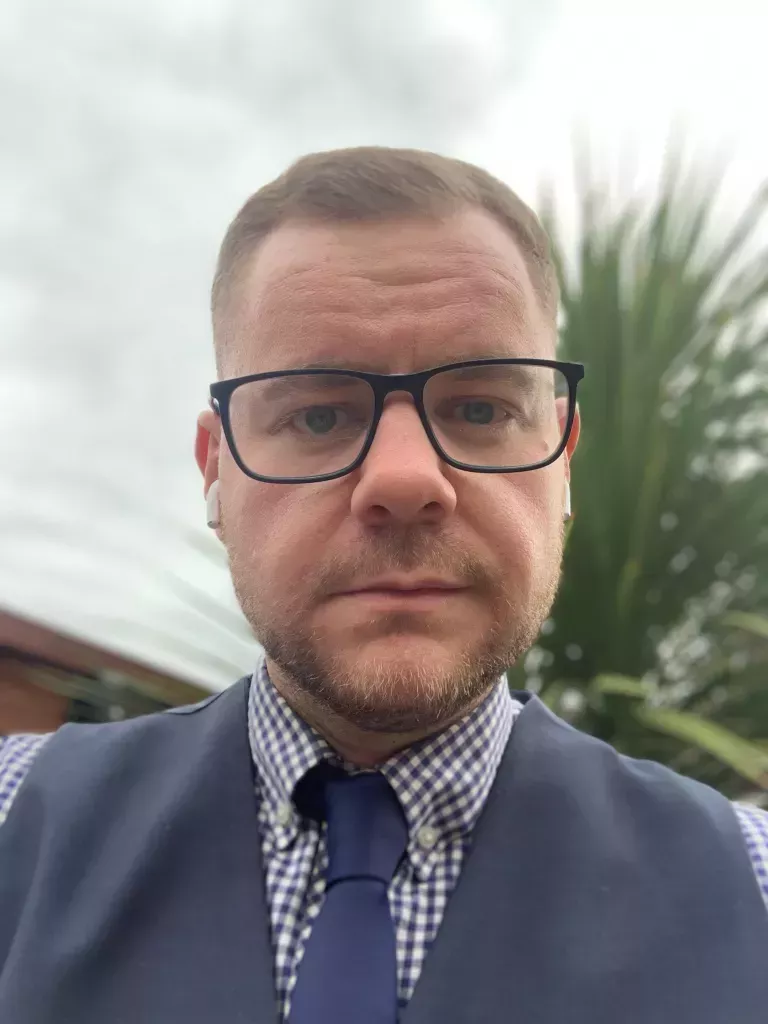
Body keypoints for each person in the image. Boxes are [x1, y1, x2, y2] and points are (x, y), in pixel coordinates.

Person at [1, 147, 767, 1024]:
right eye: (318, 415)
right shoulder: (15, 818)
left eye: (481, 410)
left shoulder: (751, 883)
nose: (405, 480)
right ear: (217, 470)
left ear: (563, 464)